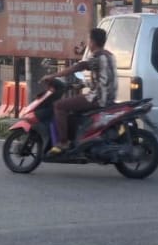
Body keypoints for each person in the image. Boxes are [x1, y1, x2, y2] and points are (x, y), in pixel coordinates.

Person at [43, 27, 116, 155]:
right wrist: (82, 85)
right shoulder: (109, 56)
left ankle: (63, 143)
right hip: (109, 97)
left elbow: (77, 67)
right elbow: (103, 80)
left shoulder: (97, 57)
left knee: (59, 106)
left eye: (88, 40)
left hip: (97, 98)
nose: (87, 43)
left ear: (92, 42)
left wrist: (53, 76)